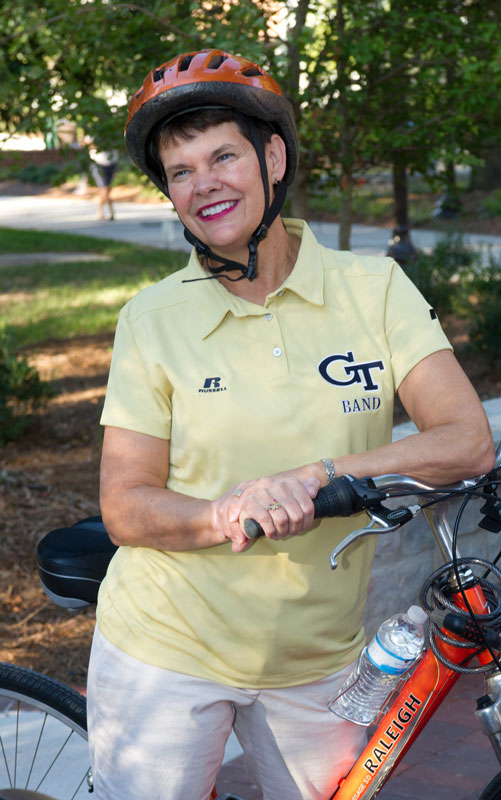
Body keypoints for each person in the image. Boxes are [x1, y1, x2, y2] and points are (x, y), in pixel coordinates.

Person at [86, 49, 495, 800]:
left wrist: (318, 475)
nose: (204, 184)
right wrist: (228, 510)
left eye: (223, 157)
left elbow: (466, 440)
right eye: (180, 172)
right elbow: (126, 504)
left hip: (318, 661)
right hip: (167, 653)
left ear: (272, 158)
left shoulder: (373, 289)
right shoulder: (151, 319)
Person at [88, 144, 119, 220]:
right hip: (99, 164)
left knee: (105, 189)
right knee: (105, 188)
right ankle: (111, 211)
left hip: (111, 164)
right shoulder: (96, 139)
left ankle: (100, 211)